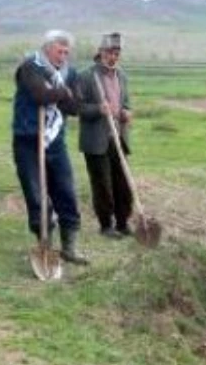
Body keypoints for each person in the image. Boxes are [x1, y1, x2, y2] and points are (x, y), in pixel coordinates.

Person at [12, 30, 87, 264]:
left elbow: (76, 107)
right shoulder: (29, 67)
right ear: (47, 48)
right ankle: (44, 243)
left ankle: (69, 247)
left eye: (66, 52)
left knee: (66, 190)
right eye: (59, 51)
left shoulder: (69, 73)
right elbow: (39, 95)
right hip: (28, 140)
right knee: (36, 195)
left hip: (55, 140)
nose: (63, 56)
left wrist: (60, 94)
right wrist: (63, 92)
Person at [74, 32, 133, 238]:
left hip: (118, 138)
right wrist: (98, 109)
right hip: (96, 141)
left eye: (116, 52)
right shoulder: (86, 76)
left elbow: (125, 104)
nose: (113, 56)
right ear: (100, 52)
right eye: (109, 52)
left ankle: (123, 223)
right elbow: (77, 107)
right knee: (103, 185)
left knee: (123, 184)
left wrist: (126, 112)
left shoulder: (122, 76)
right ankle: (106, 225)